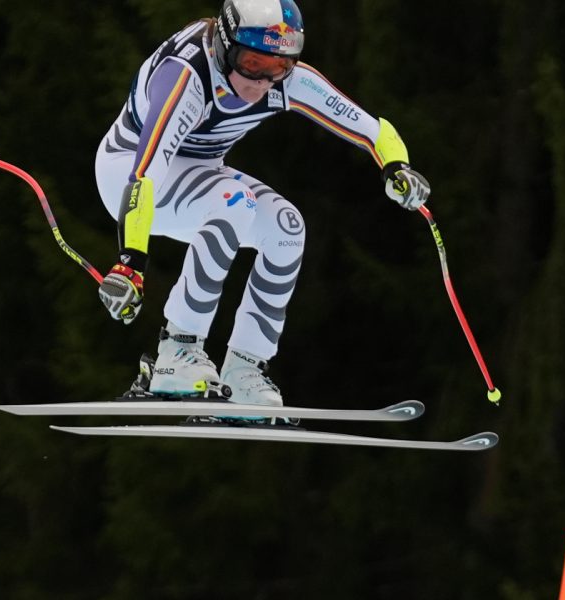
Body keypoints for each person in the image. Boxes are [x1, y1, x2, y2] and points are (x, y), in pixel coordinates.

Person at [95, 0, 431, 406]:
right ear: (224, 45)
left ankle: (245, 370)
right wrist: (130, 263)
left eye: (278, 68)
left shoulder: (286, 81)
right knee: (235, 201)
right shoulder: (185, 76)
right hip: (127, 171)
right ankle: (177, 352)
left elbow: (375, 131)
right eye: (252, 62)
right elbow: (144, 174)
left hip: (198, 173)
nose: (261, 81)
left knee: (286, 225)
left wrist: (398, 168)